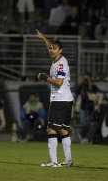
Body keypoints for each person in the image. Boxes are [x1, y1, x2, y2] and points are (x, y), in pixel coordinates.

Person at [35, 29, 73, 167]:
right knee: (63, 130)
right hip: (65, 99)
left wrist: (44, 76)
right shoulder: (57, 59)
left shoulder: (61, 63)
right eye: (50, 48)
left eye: (54, 48)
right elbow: (49, 47)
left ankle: (53, 162)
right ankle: (68, 160)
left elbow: (59, 82)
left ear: (60, 51)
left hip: (60, 99)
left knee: (51, 128)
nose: (51, 50)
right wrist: (43, 38)